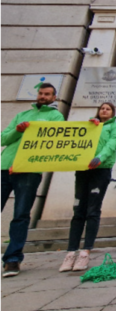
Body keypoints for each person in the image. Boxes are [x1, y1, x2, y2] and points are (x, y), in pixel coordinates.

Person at [2, 83, 65, 277]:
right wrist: (18, 131)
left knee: (20, 215)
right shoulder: (22, 115)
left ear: (54, 98)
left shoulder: (56, 117)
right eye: (41, 93)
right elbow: (4, 138)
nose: (43, 96)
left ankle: (12, 259)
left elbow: (58, 140)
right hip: (6, 167)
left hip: (29, 171)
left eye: (47, 94)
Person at [59, 102, 116, 272]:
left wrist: (100, 157)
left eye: (108, 108)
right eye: (102, 108)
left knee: (92, 210)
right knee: (78, 210)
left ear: (113, 112)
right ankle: (71, 252)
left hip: (100, 170)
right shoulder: (90, 126)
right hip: (83, 169)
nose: (104, 110)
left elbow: (112, 144)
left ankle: (85, 252)